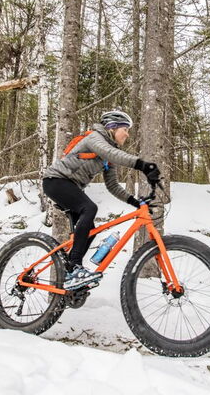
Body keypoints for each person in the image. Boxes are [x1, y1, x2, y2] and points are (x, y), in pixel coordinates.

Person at [42, 110, 160, 290]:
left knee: (90, 231)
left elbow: (112, 185)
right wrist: (143, 165)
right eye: (125, 129)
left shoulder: (107, 156)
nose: (127, 134)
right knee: (89, 209)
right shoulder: (95, 138)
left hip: (70, 186)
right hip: (56, 181)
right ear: (112, 128)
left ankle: (70, 272)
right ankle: (74, 268)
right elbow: (111, 153)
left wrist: (134, 202)